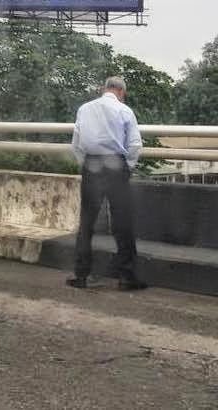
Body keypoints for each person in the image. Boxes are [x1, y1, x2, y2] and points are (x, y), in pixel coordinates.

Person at [67, 76, 147, 291]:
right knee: (122, 222)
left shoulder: (85, 109)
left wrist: (87, 164)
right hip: (115, 166)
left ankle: (81, 275)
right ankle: (126, 277)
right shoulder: (124, 110)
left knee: (87, 222)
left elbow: (76, 144)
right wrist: (126, 167)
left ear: (105, 89)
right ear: (121, 91)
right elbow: (134, 145)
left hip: (92, 164)